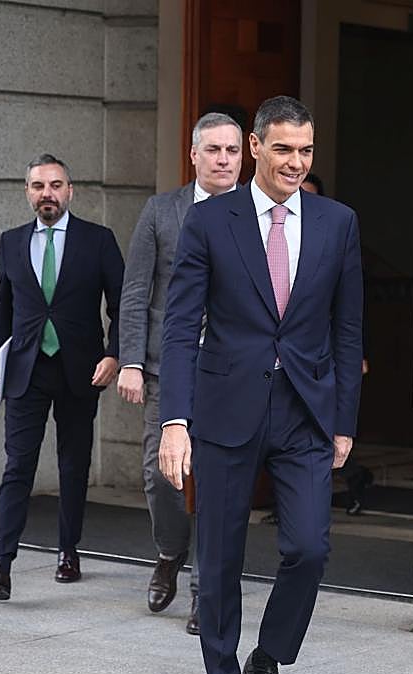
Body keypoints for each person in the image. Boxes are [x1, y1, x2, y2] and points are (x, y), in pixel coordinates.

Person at [158, 96, 363, 674]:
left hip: (304, 412)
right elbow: (180, 326)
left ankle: (267, 661)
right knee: (217, 560)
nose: (296, 162)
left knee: (308, 547)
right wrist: (174, 420)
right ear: (254, 147)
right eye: (283, 149)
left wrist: (345, 422)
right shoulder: (210, 222)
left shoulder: (338, 223)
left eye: (306, 150)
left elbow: (348, 329)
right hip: (224, 411)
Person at [0, 154, 123, 599]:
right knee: (18, 465)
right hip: (26, 369)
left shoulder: (98, 241)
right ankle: (1, 564)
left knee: (73, 465)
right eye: (39, 186)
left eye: (56, 185)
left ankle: (68, 550)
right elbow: (4, 308)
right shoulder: (11, 242)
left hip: (81, 370)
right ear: (28, 193)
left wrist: (115, 355)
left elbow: (120, 306)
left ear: (70, 191)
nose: (47, 194)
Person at [116, 112, 243, 635]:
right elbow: (136, 290)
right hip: (168, 366)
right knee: (158, 472)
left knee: (215, 483)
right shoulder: (161, 210)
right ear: (193, 155)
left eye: (232, 150)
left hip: (233, 370)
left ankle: (203, 589)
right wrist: (129, 360)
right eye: (212, 150)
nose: (222, 159)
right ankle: (170, 551)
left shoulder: (260, 214)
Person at [300, 173, 373, 516]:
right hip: (279, 365)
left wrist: (356, 355)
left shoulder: (336, 231)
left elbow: (351, 310)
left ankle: (354, 481)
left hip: (325, 358)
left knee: (329, 434)